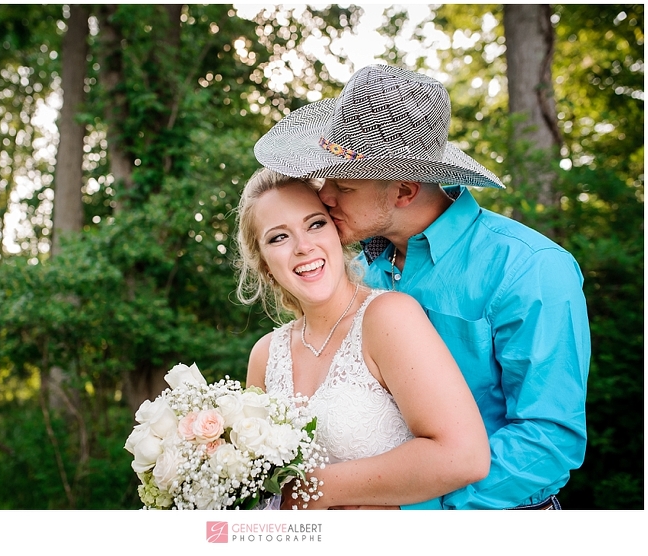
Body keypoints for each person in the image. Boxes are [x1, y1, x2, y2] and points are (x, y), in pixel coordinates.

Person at [253, 64, 591, 510]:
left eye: (344, 186)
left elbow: (547, 441)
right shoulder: (360, 271)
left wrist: (413, 511)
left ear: (406, 190)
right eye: (325, 180)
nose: (325, 196)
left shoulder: (529, 268)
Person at [235, 167, 490, 509]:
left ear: (337, 232)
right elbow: (252, 485)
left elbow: (465, 456)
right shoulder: (265, 354)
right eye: (279, 237)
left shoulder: (388, 316)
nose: (303, 246)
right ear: (265, 264)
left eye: (315, 223)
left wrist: (315, 489)